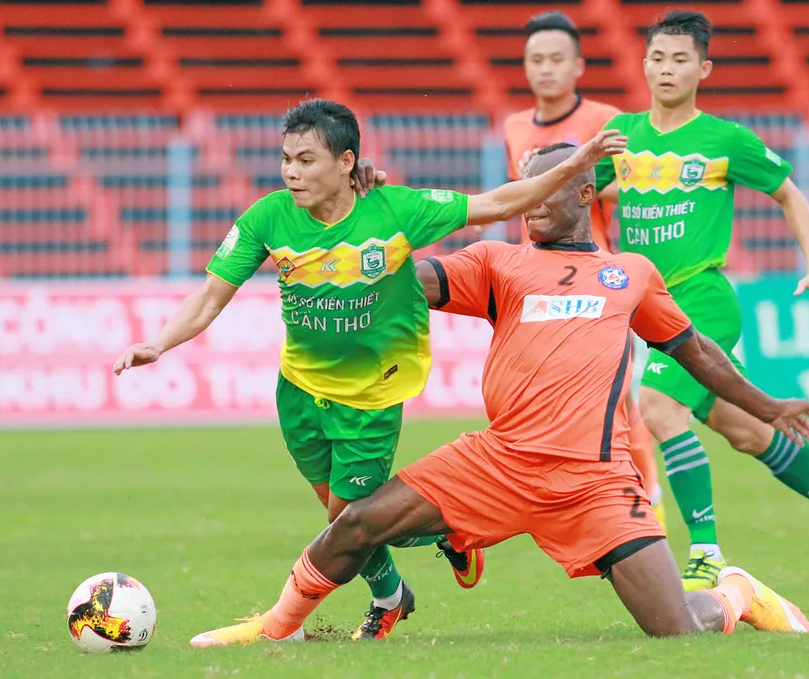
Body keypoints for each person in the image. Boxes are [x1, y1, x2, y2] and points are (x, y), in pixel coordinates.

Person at [188, 143, 809, 648]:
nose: (532, 200)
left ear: (583, 191)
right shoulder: (498, 262)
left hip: (593, 482)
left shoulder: (630, 275)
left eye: (548, 184)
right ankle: (273, 628)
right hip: (500, 461)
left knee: (676, 628)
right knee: (355, 523)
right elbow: (407, 282)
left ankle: (736, 591)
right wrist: (368, 223)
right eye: (527, 185)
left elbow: (698, 351)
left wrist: (769, 408)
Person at [112, 98, 628, 640]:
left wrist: (575, 163)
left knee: (351, 519)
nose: (292, 171)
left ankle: (412, 556)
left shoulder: (395, 210)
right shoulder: (268, 217)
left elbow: (500, 202)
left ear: (345, 162)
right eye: (286, 158)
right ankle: (394, 593)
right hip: (299, 391)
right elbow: (210, 298)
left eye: (307, 160)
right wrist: (159, 344)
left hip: (371, 400)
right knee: (341, 521)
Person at [593, 10, 809, 590]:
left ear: (704, 68)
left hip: (705, 299)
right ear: (643, 64)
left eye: (680, 59)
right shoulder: (621, 138)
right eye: (657, 58)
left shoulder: (726, 140)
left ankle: (706, 553)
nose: (667, 69)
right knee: (747, 431)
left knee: (659, 409)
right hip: (651, 308)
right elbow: (569, 188)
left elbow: (789, 194)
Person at [502, 10, 665, 526]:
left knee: (618, 400)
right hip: (533, 281)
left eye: (556, 59)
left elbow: (632, 188)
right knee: (527, 396)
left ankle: (648, 504)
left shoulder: (607, 121)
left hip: (597, 280)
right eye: (536, 60)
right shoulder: (514, 125)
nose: (545, 69)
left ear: (578, 66)